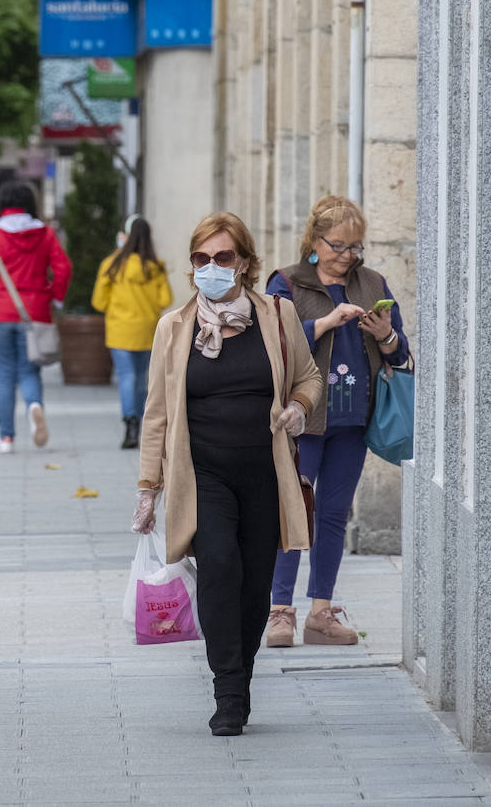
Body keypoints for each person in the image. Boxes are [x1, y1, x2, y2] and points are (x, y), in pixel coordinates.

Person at [130, 211, 322, 736]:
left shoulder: (276, 317)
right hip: (202, 476)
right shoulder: (174, 328)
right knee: (219, 571)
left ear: (244, 262)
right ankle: (228, 693)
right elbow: (156, 413)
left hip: (265, 470)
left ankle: (243, 672)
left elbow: (308, 377)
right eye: (201, 259)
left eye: (222, 257)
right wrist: (148, 489)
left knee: (255, 585)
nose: (211, 267)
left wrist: (298, 408)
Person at [263, 195, 411, 647]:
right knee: (292, 513)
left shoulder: (372, 283)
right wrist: (326, 322)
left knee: (332, 515)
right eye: (338, 245)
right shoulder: (287, 281)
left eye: (355, 247)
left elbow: (402, 354)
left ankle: (321, 613)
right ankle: (280, 611)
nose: (347, 256)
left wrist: (385, 335)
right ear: (315, 240)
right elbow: (273, 345)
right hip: (302, 418)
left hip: (352, 420)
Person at [0, 181, 71, 454]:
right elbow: (63, 267)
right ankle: (34, 406)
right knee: (30, 369)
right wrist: (54, 296)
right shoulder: (45, 234)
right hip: (34, 311)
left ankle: (6, 438)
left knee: (5, 375)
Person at [91, 216, 172, 449]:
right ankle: (143, 423)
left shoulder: (111, 265)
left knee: (126, 376)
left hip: (119, 330)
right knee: (141, 379)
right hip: (147, 329)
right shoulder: (156, 266)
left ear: (125, 236)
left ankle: (130, 424)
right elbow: (165, 299)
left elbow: (98, 301)